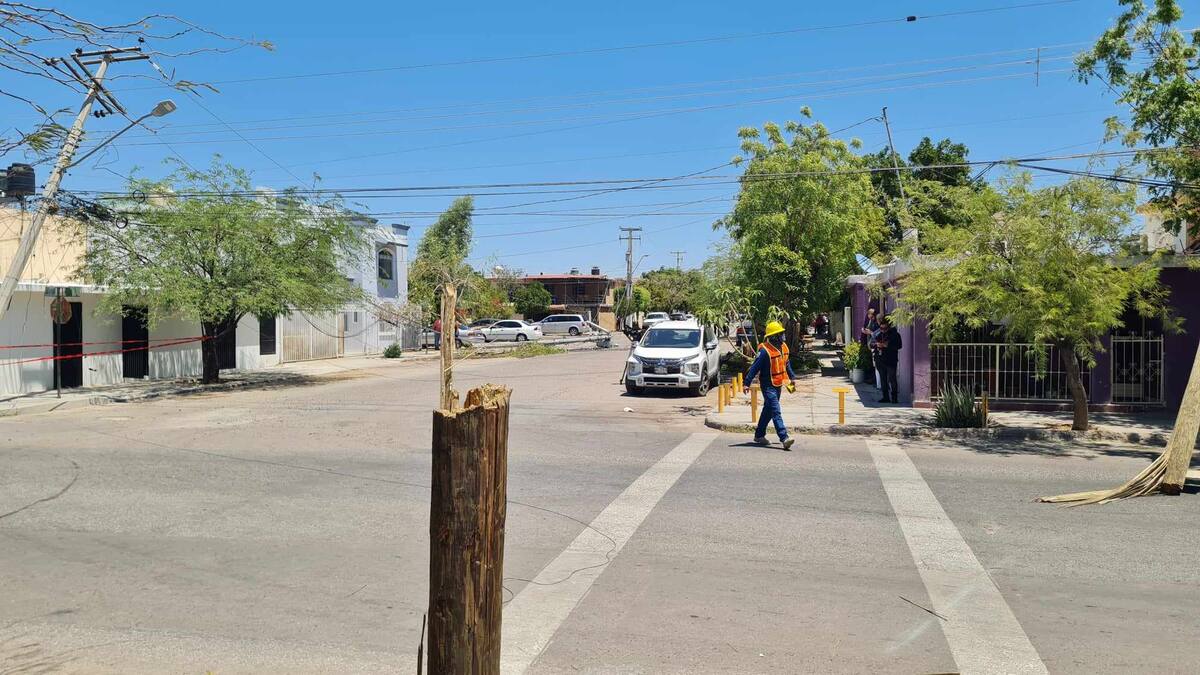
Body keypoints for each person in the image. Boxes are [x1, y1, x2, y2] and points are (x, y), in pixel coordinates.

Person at [743, 320, 796, 451]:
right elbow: (754, 368)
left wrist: (792, 377)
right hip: (768, 386)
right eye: (780, 334)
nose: (782, 336)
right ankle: (784, 438)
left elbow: (786, 363)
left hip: (778, 384)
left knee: (768, 411)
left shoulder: (783, 348)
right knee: (775, 410)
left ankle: (759, 435)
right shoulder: (765, 351)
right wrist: (746, 383)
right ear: (773, 337)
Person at [874, 316, 903, 403]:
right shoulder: (879, 334)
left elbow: (899, 346)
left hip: (891, 360)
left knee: (892, 379)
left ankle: (894, 398)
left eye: (884, 328)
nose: (882, 330)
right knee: (883, 379)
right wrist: (877, 345)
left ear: (889, 327)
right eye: (881, 328)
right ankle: (885, 397)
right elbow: (872, 343)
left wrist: (888, 345)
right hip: (881, 360)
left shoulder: (895, 335)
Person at [859, 308, 879, 387]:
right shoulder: (871, 321)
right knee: (873, 363)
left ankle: (876, 381)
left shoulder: (876, 322)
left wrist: (869, 332)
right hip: (870, 343)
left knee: (875, 364)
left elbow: (876, 333)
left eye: (869, 314)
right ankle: (873, 379)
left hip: (875, 344)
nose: (868, 316)